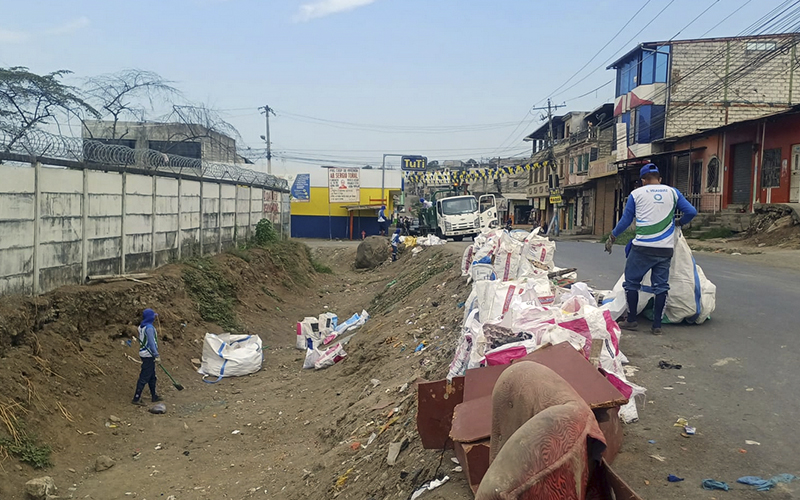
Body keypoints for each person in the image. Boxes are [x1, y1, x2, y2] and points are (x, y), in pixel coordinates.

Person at [606, 163, 697, 335]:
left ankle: (632, 320)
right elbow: (691, 211)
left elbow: (626, 220)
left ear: (642, 180)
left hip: (641, 248)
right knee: (661, 286)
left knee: (632, 283)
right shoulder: (673, 192)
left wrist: (612, 236)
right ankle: (657, 326)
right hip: (665, 249)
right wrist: (679, 222)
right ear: (659, 179)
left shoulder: (636, 194)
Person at [133, 308, 162, 404]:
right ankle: (136, 398)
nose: (154, 318)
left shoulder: (141, 327)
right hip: (149, 355)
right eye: (153, 316)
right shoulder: (149, 328)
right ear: (150, 317)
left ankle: (154, 396)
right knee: (144, 377)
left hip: (144, 353)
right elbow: (151, 342)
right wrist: (156, 354)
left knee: (152, 377)